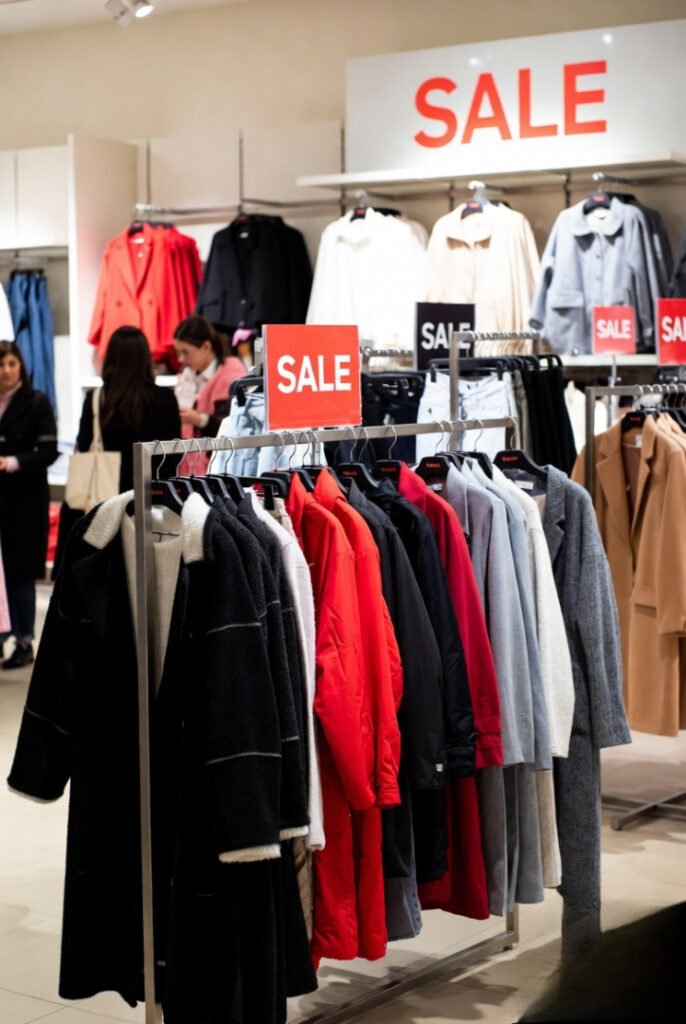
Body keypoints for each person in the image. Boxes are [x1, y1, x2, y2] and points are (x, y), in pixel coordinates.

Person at [54, 326, 181, 576]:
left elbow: (84, 447)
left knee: (104, 579)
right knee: (148, 579)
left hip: (104, 504)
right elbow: (173, 455)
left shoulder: (97, 400)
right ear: (145, 358)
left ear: (110, 358)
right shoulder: (165, 399)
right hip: (151, 503)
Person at [0, 339, 58, 669]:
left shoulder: (36, 402)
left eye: (11, 363)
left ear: (21, 365)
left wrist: (11, 462)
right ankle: (2, 636)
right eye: (0, 365)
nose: (6, 371)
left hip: (24, 501)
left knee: (21, 573)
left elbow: (49, 451)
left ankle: (24, 639)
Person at [174, 315, 245, 439]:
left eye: (186, 353)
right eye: (177, 353)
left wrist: (200, 420)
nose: (180, 359)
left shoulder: (232, 374)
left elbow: (235, 424)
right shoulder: (186, 373)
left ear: (206, 347)